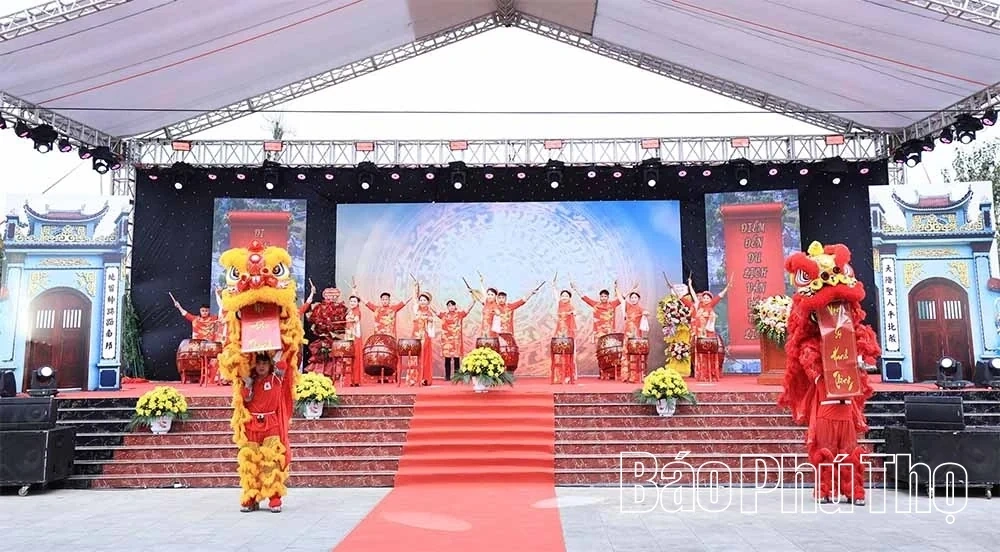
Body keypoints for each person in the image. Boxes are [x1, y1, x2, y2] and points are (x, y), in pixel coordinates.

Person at [238, 352, 294, 513]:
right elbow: (246, 399)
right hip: (252, 425)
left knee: (271, 461)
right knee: (250, 462)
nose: (261, 366)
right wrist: (247, 384)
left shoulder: (276, 378)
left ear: (269, 365)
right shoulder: (251, 381)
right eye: (259, 363)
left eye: (265, 363)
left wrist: (278, 352)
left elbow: (283, 366)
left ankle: (274, 497)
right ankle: (251, 496)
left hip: (271, 425)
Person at [688, 276, 730, 382]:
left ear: (711, 300)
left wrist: (727, 287)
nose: (705, 299)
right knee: (699, 355)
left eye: (708, 298)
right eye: (704, 298)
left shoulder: (710, 306)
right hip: (699, 335)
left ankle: (712, 373)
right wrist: (689, 285)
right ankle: (701, 373)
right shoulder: (698, 307)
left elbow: (720, 296)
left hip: (709, 335)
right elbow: (693, 295)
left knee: (711, 354)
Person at [437, 298, 475, 380]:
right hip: (446, 341)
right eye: (449, 306)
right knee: (447, 359)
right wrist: (428, 303)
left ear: (455, 306)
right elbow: (435, 311)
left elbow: (468, 309)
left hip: (456, 341)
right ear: (447, 307)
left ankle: (456, 376)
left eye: (452, 305)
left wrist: (473, 301)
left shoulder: (459, 314)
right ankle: (447, 377)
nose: (451, 307)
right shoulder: (443, 315)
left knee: (456, 359)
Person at [620, 287, 650, 384]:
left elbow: (647, 313)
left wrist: (645, 313)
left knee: (635, 355)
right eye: (632, 298)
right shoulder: (627, 306)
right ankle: (626, 376)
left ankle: (635, 377)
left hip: (636, 335)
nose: (633, 299)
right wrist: (629, 289)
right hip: (627, 334)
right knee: (626, 353)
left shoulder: (640, 309)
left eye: (635, 298)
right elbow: (621, 298)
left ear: (638, 299)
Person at [551, 281, 577, 384]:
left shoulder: (571, 306)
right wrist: (553, 286)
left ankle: (568, 376)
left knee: (567, 356)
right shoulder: (559, 304)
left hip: (568, 334)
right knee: (558, 355)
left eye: (566, 296)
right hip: (559, 332)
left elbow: (575, 313)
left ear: (570, 298)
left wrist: (573, 313)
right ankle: (558, 376)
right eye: (562, 296)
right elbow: (555, 296)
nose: (564, 297)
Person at [412, 283, 436, 386]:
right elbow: (414, 298)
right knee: (414, 357)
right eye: (421, 300)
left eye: (424, 300)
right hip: (415, 336)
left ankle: (424, 378)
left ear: (428, 302)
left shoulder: (430, 313)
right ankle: (414, 378)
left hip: (425, 338)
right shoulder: (416, 310)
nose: (422, 302)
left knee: (424, 357)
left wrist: (430, 319)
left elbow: (431, 323)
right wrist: (416, 288)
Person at [345, 295, 364, 387]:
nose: (352, 303)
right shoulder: (350, 311)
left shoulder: (357, 311)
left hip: (355, 337)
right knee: (349, 359)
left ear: (357, 303)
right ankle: (350, 380)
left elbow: (356, 319)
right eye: (351, 301)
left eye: (354, 301)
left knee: (355, 358)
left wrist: (352, 319)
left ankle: (356, 380)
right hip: (349, 336)